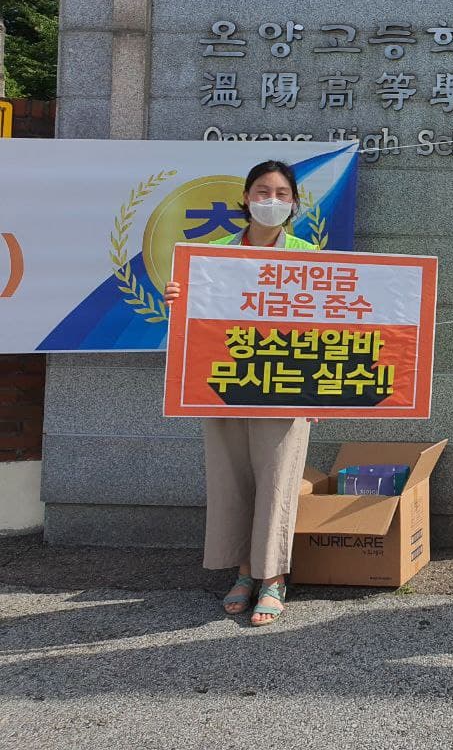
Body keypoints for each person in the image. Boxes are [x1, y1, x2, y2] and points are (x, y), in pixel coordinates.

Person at [163, 160, 318, 626]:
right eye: (262, 191)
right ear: (246, 198)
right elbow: (196, 328)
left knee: (278, 477)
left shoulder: (309, 254)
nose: (271, 201)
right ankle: (244, 572)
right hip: (225, 385)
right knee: (232, 478)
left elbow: (324, 329)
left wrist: (322, 394)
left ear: (294, 204)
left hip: (287, 387)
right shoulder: (209, 257)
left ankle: (273, 577)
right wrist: (178, 300)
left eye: (282, 194)